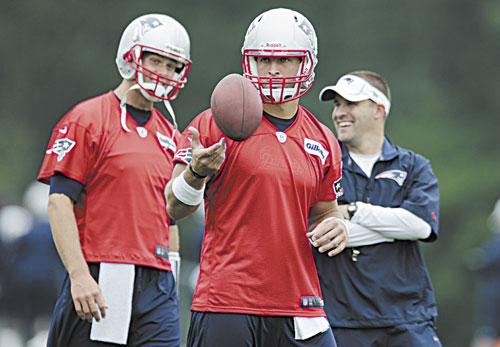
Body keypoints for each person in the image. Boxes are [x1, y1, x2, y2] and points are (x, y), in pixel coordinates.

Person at [165, 8, 348, 347]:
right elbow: (174, 207)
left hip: (301, 304)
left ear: (306, 63)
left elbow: (326, 211)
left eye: (286, 60)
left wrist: (339, 226)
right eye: (264, 59)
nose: (274, 69)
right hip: (229, 301)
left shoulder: (322, 139)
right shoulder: (215, 122)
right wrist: (195, 173)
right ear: (249, 62)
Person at [37, 13, 192, 346]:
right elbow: (59, 200)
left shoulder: (170, 135)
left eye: (171, 65)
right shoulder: (89, 117)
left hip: (159, 279)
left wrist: (173, 280)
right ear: (131, 56)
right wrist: (79, 275)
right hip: (106, 270)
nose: (163, 72)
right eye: (156, 60)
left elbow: (169, 220)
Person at [314, 70, 441, 346]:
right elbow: (320, 234)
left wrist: (354, 212)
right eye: (337, 105)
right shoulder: (321, 165)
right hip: (341, 321)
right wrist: (395, 226)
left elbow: (420, 225)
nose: (339, 113)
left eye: (351, 104)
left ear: (379, 110)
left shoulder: (414, 166)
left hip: (408, 318)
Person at [469, 198, 500, 347]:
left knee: (486, 336)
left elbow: (482, 261)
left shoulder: (496, 243)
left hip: (493, 304)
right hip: (491, 304)